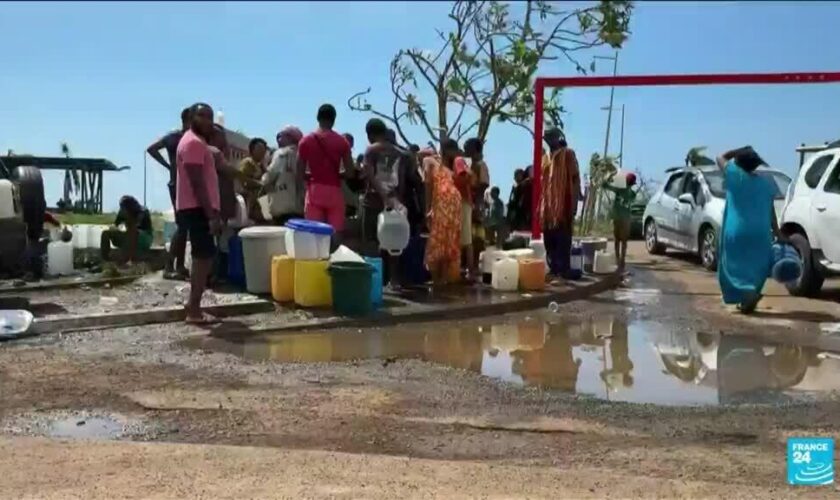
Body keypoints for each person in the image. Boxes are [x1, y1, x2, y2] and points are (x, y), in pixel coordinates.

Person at [715, 146, 781, 314]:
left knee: (733, 266)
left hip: (737, 231)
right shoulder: (766, 183)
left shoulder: (734, 176)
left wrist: (739, 150)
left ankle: (748, 295)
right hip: (761, 233)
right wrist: (778, 233)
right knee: (756, 266)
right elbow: (771, 211)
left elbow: (720, 156)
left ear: (738, 163)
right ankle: (749, 299)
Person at [175, 103, 221, 325]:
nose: (207, 120)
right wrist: (210, 214)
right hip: (197, 208)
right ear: (192, 117)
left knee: (203, 257)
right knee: (203, 258)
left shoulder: (196, 142)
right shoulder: (193, 142)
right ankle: (194, 311)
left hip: (196, 207)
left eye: (210, 116)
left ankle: (193, 305)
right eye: (202, 115)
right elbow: (197, 182)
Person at [297, 104, 357, 241]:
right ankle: (334, 259)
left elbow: (299, 172)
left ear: (318, 118)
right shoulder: (342, 142)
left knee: (313, 234)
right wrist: (337, 174)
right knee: (336, 235)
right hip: (334, 191)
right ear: (334, 120)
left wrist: (312, 176)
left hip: (314, 191)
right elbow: (350, 173)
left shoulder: (306, 141)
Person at [147, 107, 190, 280]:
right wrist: (167, 165)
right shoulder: (177, 137)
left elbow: (152, 149)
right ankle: (169, 267)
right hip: (178, 185)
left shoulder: (173, 137)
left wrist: (168, 165)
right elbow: (151, 149)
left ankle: (179, 266)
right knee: (182, 226)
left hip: (179, 184)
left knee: (185, 227)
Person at [540, 128, 580, 280]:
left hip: (564, 203)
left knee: (563, 237)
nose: (549, 139)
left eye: (552, 137)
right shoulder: (545, 158)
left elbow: (575, 179)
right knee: (549, 238)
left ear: (558, 137)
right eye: (547, 137)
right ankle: (553, 268)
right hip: (548, 205)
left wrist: (574, 204)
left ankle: (564, 269)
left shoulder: (568, 154)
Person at [423, 139, 462, 286]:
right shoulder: (432, 163)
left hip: (453, 211)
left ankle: (444, 278)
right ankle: (435, 279)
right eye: (454, 150)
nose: (456, 154)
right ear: (447, 150)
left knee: (449, 243)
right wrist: (428, 208)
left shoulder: (451, 169)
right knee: (437, 242)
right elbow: (428, 185)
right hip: (440, 208)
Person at [264, 126, 305, 225]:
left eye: (281, 136)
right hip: (301, 206)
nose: (279, 140)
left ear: (290, 138)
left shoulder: (280, 154)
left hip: (281, 206)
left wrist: (264, 179)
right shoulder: (303, 154)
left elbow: (270, 176)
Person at [602, 171, 639, 273]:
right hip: (626, 219)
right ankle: (622, 260)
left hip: (617, 218)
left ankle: (617, 260)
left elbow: (604, 185)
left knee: (617, 240)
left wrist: (610, 175)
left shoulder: (618, 190)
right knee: (624, 241)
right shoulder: (632, 194)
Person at [101, 195, 154, 263]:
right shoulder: (122, 212)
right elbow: (115, 225)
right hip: (129, 237)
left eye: (123, 208)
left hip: (144, 238)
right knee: (106, 234)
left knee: (132, 232)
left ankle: (127, 260)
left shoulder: (142, 212)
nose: (122, 210)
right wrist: (113, 230)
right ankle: (106, 259)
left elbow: (135, 228)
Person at [463, 137, 490, 260]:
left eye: (467, 148)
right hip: (472, 201)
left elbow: (483, 184)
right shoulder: (471, 165)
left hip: (476, 202)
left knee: (476, 236)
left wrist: (477, 203)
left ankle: (474, 264)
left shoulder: (480, 165)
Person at [238, 137, 268, 223]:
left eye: (264, 149)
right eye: (259, 149)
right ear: (252, 150)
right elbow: (243, 179)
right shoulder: (248, 162)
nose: (262, 152)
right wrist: (259, 183)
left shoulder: (261, 166)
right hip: (250, 202)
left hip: (261, 203)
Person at [507, 168, 532, 233]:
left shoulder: (525, 185)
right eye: (515, 176)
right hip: (515, 215)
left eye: (517, 175)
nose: (515, 178)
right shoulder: (516, 187)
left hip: (522, 214)